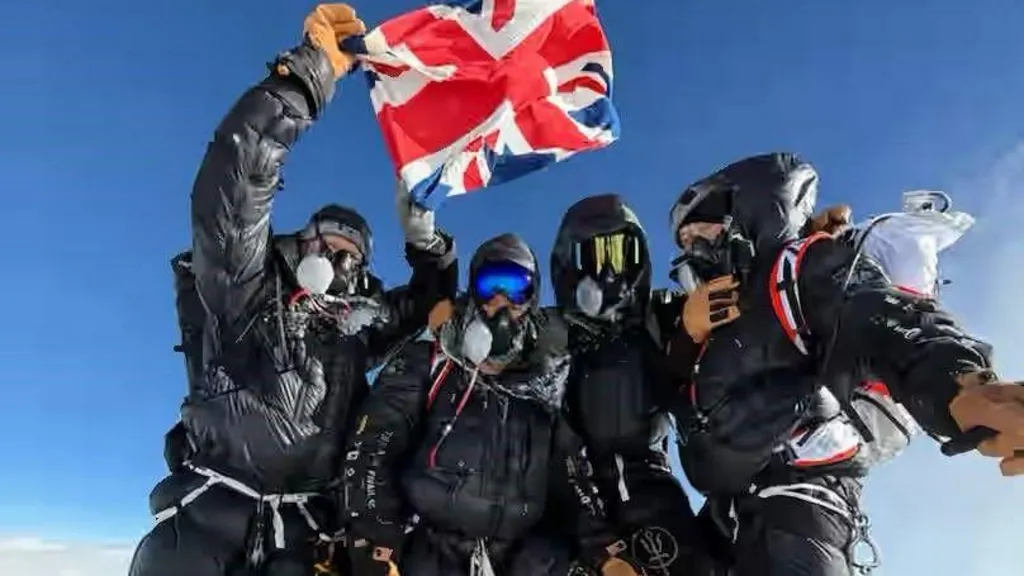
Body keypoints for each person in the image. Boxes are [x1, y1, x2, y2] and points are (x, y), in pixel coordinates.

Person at [129, 5, 458, 576]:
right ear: (296, 247)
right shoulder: (243, 287)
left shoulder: (360, 331)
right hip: (209, 524)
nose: (334, 258)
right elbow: (235, 180)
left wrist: (426, 244)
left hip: (308, 540)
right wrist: (305, 78)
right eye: (323, 243)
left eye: (350, 253)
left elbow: (434, 308)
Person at [657, 152, 1024, 575]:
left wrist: (957, 383)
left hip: (798, 510)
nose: (694, 249)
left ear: (753, 210)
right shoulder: (717, 315)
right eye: (685, 244)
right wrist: (687, 337)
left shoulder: (801, 267)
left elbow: (878, 315)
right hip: (726, 517)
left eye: (703, 230)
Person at [341, 233, 640, 576]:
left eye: (516, 286)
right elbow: (373, 447)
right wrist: (376, 538)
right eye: (490, 284)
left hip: (521, 559)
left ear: (532, 297)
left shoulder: (545, 384)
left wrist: (604, 552)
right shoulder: (430, 363)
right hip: (430, 555)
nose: (502, 300)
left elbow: (571, 478)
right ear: (473, 292)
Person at [548, 194, 722, 575]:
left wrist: (804, 241)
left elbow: (742, 293)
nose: (609, 273)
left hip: (651, 490)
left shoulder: (663, 314)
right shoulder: (551, 334)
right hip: (571, 500)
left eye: (620, 255)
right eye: (595, 257)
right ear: (569, 264)